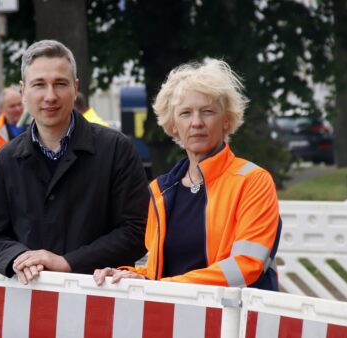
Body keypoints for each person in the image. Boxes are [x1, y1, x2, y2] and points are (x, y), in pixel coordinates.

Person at [94, 59, 282, 291]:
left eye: (208, 112)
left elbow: (246, 267)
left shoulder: (253, 180)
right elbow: (159, 269)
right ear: (173, 125)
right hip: (177, 320)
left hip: (236, 322)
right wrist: (130, 275)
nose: (196, 123)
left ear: (226, 120)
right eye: (185, 113)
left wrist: (165, 287)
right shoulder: (160, 190)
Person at [0, 40, 149, 284]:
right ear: (23, 91)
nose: (50, 96)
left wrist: (67, 263)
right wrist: (20, 258)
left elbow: (138, 232)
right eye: (39, 85)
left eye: (60, 84)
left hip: (102, 300)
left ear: (75, 88)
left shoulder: (116, 149)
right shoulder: (6, 159)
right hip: (32, 301)